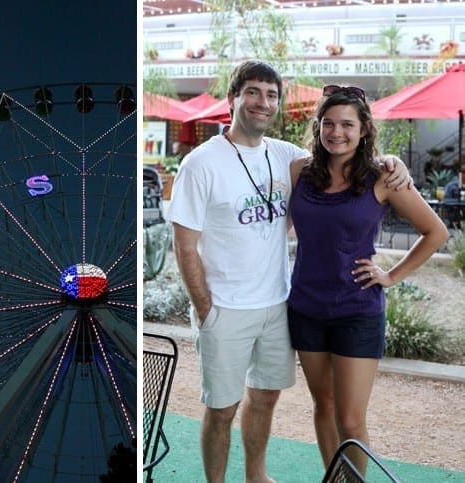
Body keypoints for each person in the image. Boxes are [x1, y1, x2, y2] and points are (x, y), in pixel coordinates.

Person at [165, 60, 410, 483]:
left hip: (279, 304)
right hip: (225, 307)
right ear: (233, 99)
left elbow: (341, 152)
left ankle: (256, 476)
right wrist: (205, 307)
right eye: (253, 92)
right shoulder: (200, 164)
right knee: (222, 409)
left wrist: (389, 160)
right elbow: (184, 245)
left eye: (271, 94)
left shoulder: (287, 157)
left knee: (264, 398)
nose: (263, 102)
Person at [287, 84, 450, 476]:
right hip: (305, 307)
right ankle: (335, 478)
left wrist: (391, 276)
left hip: (357, 310)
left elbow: (436, 232)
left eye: (347, 124)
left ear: (363, 130)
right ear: (318, 126)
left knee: (352, 418)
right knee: (322, 404)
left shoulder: (383, 176)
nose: (336, 132)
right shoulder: (298, 171)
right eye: (328, 123)